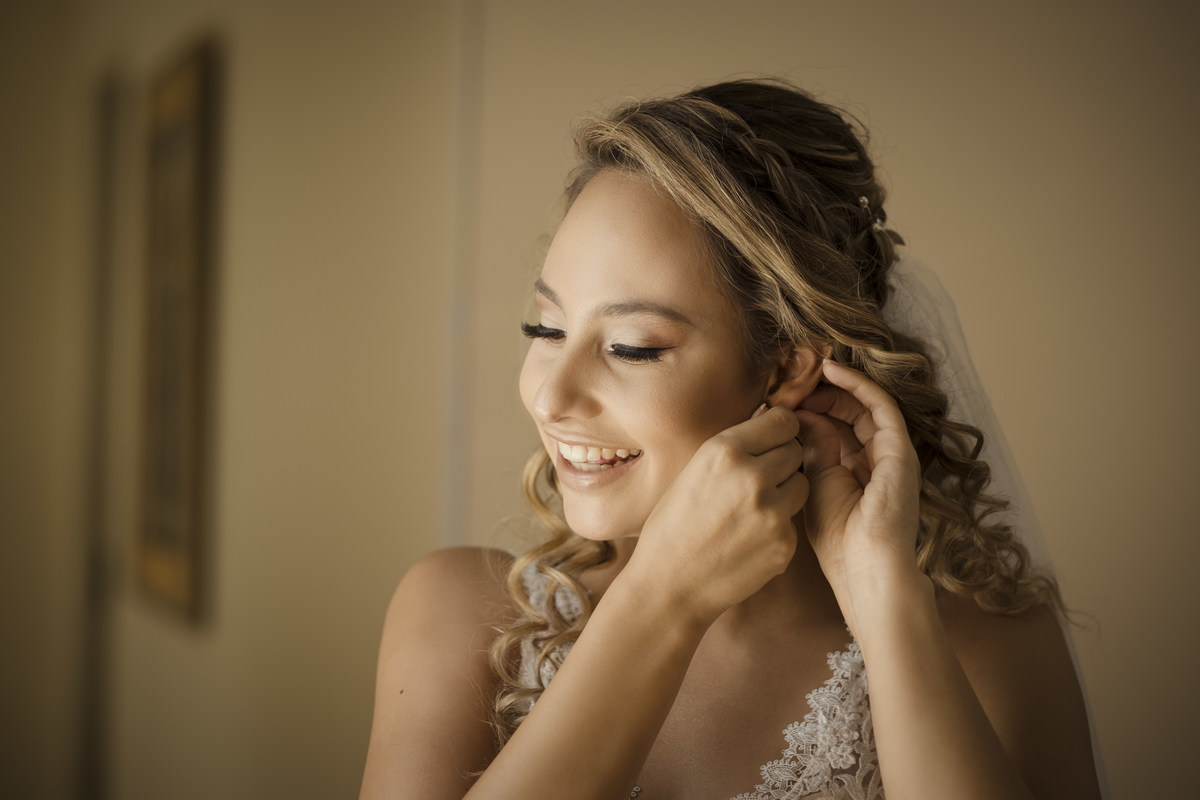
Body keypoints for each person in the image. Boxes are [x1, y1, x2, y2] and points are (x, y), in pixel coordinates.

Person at [359, 79, 1103, 800]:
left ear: (786, 368)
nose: (549, 395)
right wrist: (662, 598)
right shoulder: (464, 614)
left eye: (632, 347)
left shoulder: (987, 645)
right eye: (546, 329)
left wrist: (883, 596)